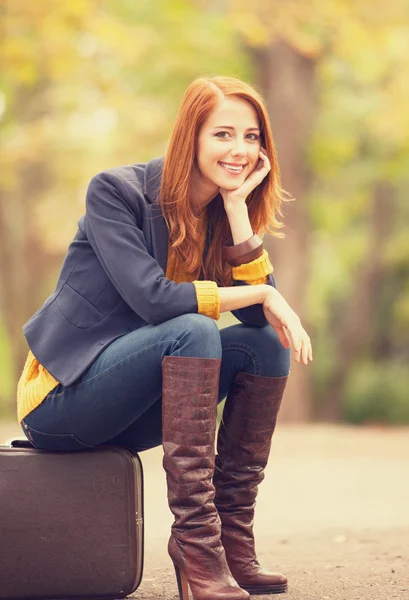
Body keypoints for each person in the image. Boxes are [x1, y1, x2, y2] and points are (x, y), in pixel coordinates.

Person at [17, 75, 312, 600]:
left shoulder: (223, 215)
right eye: (223, 134)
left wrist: (240, 215)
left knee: (265, 346)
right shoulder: (116, 192)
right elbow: (153, 299)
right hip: (64, 402)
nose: (240, 149)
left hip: (141, 409)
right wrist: (263, 295)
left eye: (251, 137)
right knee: (193, 329)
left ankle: (230, 544)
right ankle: (194, 546)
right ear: (190, 137)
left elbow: (258, 331)